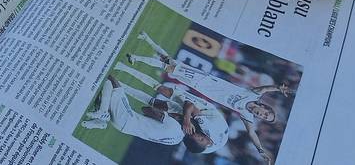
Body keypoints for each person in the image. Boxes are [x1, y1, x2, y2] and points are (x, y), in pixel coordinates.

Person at [125, 31, 293, 162]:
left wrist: (261, 150)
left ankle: (145, 39)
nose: (261, 115)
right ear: (265, 108)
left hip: (202, 88)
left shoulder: (246, 115)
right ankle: (136, 57)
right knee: (171, 67)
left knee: (171, 63)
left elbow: (252, 134)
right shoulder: (252, 95)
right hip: (207, 80)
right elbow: (266, 89)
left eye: (264, 118)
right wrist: (279, 88)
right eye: (265, 114)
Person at [81, 75, 216, 154]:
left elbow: (146, 109)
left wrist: (169, 115)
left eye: (201, 139)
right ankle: (102, 121)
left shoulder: (175, 126)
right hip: (124, 127)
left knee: (111, 81)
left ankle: (103, 114)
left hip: (126, 118)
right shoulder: (174, 141)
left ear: (192, 140)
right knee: (107, 96)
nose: (202, 135)